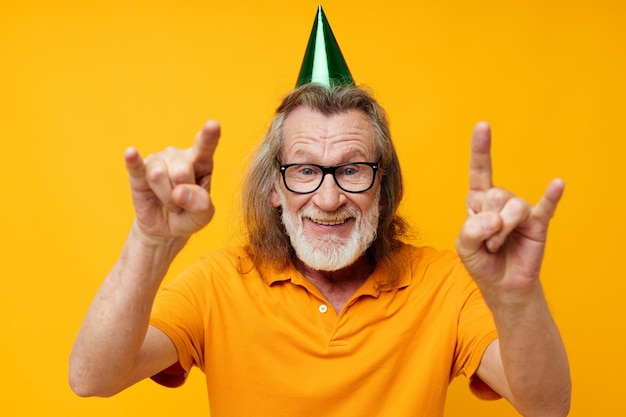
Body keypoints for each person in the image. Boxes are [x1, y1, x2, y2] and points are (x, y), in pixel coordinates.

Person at [70, 7, 571, 417]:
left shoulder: (444, 283)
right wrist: (150, 243)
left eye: (352, 170)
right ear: (274, 188)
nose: (328, 200)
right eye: (306, 171)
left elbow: (548, 406)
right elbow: (94, 378)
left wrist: (517, 298)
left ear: (383, 185)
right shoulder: (218, 284)